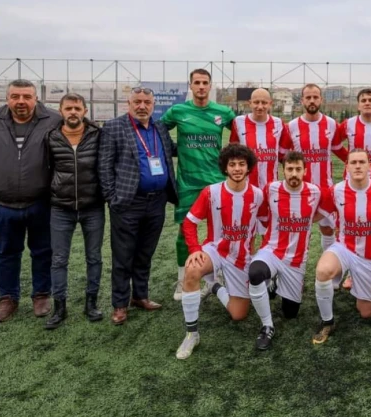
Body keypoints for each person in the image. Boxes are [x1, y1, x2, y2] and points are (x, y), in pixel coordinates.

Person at [0, 79, 61, 322]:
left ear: (36, 98)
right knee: (5, 252)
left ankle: (41, 295)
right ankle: (7, 298)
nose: (21, 101)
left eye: (26, 96)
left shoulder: (53, 119)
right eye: (15, 96)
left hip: (42, 203)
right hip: (2, 204)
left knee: (43, 251)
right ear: (7, 98)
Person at [175, 144, 263, 359]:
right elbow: (189, 223)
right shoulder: (211, 192)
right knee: (192, 270)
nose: (237, 168)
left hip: (241, 257)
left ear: (248, 167)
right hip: (215, 250)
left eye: (241, 164)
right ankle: (191, 334)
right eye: (232, 164)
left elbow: (266, 225)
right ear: (225, 167)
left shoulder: (258, 195)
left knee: (238, 314)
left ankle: (214, 285)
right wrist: (195, 249)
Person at [99, 87, 178, 325]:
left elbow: (172, 150)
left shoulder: (159, 127)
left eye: (147, 102)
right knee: (123, 256)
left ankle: (140, 296)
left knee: (145, 253)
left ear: (153, 105)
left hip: (157, 202)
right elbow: (104, 166)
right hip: (128, 202)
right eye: (137, 101)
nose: (142, 106)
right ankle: (120, 304)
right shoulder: (114, 127)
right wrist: (112, 197)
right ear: (129, 103)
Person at [160, 69, 236, 301]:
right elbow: (158, 130)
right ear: (190, 86)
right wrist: (173, 149)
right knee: (184, 232)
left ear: (210, 86)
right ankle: (183, 281)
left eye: (205, 83)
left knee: (222, 232)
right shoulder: (178, 111)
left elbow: (242, 133)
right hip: (187, 183)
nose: (201, 86)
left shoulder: (223, 112)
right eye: (197, 82)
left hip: (216, 183)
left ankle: (219, 278)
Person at [247, 151, 328, 350]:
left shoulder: (315, 192)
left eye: (298, 169)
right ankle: (267, 326)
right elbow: (261, 212)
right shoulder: (271, 189)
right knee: (255, 273)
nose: (294, 173)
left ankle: (274, 283)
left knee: (290, 313)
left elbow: (326, 210)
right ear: (283, 170)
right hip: (272, 251)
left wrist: (306, 220)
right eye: (290, 169)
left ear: (305, 171)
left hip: (297, 260)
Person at [312, 149, 371, 344]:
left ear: (369, 166)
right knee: (323, 271)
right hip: (344, 248)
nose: (357, 166)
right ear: (347, 166)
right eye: (353, 162)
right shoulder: (337, 191)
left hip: (369, 256)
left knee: (367, 313)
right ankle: (327, 321)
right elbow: (317, 215)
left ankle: (359, 281)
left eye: (361, 162)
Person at [45, 93, 105, 329]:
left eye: (77, 108)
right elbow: (46, 168)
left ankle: (91, 303)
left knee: (94, 257)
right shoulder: (51, 136)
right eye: (68, 108)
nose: (73, 112)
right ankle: (59, 307)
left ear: (85, 111)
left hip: (93, 207)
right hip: (61, 207)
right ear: (60, 111)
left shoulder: (97, 135)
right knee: (59, 259)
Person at [283, 84, 347, 284]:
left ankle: (332, 275)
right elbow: (284, 157)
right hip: (299, 191)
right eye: (308, 97)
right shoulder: (291, 126)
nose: (312, 101)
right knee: (298, 233)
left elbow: (338, 149)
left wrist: (356, 163)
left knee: (328, 230)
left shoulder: (331, 124)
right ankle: (295, 274)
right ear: (302, 100)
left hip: (325, 189)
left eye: (315, 97)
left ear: (321, 99)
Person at [334, 87, 371, 290]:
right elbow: (335, 144)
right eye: (364, 100)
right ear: (358, 104)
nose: (367, 103)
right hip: (352, 185)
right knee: (350, 228)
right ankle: (351, 273)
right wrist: (350, 161)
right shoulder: (348, 124)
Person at [230, 88, 287, 189]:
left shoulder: (278, 123)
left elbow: (284, 156)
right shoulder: (238, 122)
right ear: (250, 103)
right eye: (256, 102)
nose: (260, 107)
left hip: (271, 187)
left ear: (270, 104)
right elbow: (233, 154)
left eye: (264, 103)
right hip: (245, 187)